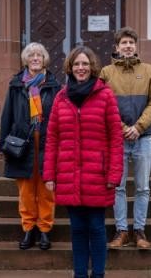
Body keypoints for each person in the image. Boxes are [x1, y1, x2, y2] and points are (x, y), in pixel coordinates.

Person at [43, 46, 123, 278]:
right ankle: (79, 274)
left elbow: (116, 137)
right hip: (68, 173)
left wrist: (114, 174)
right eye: (77, 64)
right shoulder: (61, 97)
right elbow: (52, 138)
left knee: (97, 228)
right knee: (77, 229)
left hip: (97, 173)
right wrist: (49, 175)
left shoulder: (105, 94)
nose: (81, 68)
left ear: (92, 68)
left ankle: (98, 274)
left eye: (85, 64)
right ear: (70, 67)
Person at [100, 27, 151, 249]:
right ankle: (121, 231)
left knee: (143, 187)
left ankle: (139, 230)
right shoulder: (106, 73)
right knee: (117, 187)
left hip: (143, 137)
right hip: (117, 139)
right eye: (123, 43)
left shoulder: (148, 70)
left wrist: (138, 127)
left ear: (136, 46)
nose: (128, 46)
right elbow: (102, 105)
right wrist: (123, 127)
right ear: (116, 47)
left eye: (131, 43)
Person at [0, 42, 61, 250]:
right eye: (31, 55)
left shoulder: (54, 85)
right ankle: (28, 228)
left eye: (39, 55)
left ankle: (44, 230)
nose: (35, 58)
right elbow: (7, 115)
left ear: (45, 60)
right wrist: (4, 143)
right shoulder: (16, 85)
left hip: (47, 142)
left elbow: (61, 116)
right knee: (26, 191)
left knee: (46, 190)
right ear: (26, 60)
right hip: (22, 143)